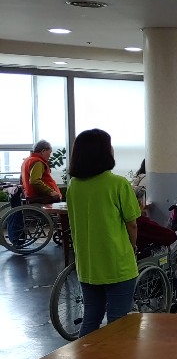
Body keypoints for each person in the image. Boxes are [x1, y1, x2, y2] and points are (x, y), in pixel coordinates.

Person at [66, 129, 140, 337]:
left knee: (91, 318)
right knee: (118, 323)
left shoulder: (73, 186)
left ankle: (85, 356)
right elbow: (132, 224)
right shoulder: (118, 184)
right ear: (103, 152)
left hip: (88, 265)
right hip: (117, 263)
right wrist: (132, 247)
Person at [133, 186, 177, 281]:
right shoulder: (141, 222)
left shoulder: (121, 220)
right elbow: (171, 237)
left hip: (134, 256)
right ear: (139, 203)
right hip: (148, 255)